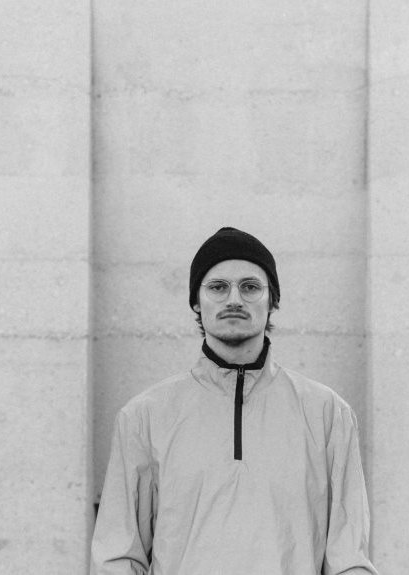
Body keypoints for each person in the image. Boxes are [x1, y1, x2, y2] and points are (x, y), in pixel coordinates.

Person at [91, 227, 378, 574]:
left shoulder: (328, 414)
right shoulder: (144, 417)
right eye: (218, 287)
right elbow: (118, 557)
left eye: (250, 287)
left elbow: (349, 560)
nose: (234, 300)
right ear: (196, 301)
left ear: (272, 301)